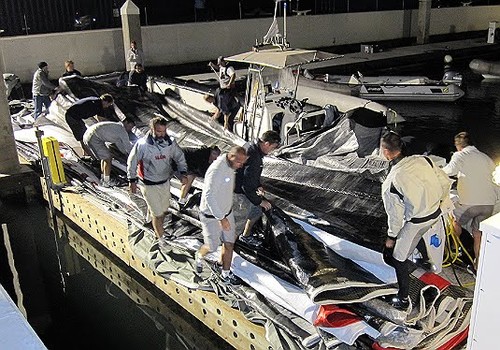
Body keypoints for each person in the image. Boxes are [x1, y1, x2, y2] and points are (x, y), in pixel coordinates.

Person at [380, 132, 451, 310]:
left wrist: (391, 238)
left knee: (398, 256)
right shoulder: (423, 160)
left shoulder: (391, 181)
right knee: (419, 233)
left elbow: (395, 216)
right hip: (436, 212)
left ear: (386, 152)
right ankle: (426, 260)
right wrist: (440, 201)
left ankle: (403, 298)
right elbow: (444, 181)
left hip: (418, 220)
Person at [442, 132, 497, 269]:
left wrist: (435, 170)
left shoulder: (460, 155)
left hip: (470, 204)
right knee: (477, 233)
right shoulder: (485, 158)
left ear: (457, 145)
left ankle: (454, 250)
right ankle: (478, 264)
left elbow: (449, 171)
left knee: (454, 218)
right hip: (489, 203)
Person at [127, 117, 188, 240]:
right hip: (148, 184)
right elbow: (132, 161)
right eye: (158, 131)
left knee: (164, 209)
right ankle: (160, 237)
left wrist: (183, 172)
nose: (161, 134)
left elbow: (179, 157)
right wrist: (131, 180)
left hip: (164, 182)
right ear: (152, 129)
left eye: (164, 131)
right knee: (158, 213)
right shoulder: (143, 145)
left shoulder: (170, 143)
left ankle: (152, 220)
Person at [195, 146, 248, 283]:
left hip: (226, 212)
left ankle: (225, 273)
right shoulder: (217, 170)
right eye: (239, 163)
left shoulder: (231, 165)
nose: (241, 166)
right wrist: (221, 218)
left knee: (229, 243)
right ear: (231, 158)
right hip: (211, 216)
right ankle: (199, 255)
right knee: (212, 246)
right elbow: (209, 196)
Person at [233, 130, 281, 237]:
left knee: (256, 211)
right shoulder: (254, 156)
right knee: (239, 222)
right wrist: (259, 201)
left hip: (241, 186)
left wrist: (258, 185)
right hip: (238, 191)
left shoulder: (252, 147)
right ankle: (228, 245)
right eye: (272, 148)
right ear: (266, 144)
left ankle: (246, 235)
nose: (272, 151)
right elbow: (246, 184)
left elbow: (251, 175)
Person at [83, 118, 136, 187]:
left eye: (131, 128)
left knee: (105, 158)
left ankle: (103, 178)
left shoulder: (115, 127)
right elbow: (128, 147)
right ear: (125, 122)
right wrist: (135, 157)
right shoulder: (121, 130)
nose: (130, 129)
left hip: (89, 136)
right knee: (108, 157)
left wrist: (125, 153)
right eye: (129, 126)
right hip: (93, 138)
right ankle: (106, 182)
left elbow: (120, 146)